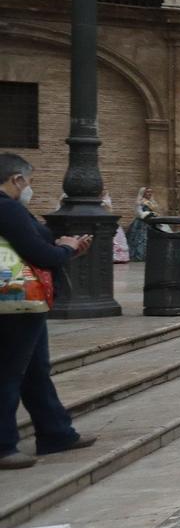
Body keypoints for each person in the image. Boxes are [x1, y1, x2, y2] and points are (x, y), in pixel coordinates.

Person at [0, 154, 97, 469]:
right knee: (10, 371)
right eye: (28, 181)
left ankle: (56, 432)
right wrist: (66, 248)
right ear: (16, 179)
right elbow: (41, 254)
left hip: (23, 302)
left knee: (35, 371)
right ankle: (3, 445)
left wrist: (64, 249)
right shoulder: (7, 207)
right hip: (15, 303)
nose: (29, 188)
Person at [129, 186, 158, 264]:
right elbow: (139, 212)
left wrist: (154, 214)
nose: (149, 193)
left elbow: (155, 211)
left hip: (151, 222)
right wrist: (146, 214)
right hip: (141, 223)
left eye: (151, 192)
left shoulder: (152, 202)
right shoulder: (140, 201)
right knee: (140, 239)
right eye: (147, 192)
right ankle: (139, 255)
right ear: (143, 193)